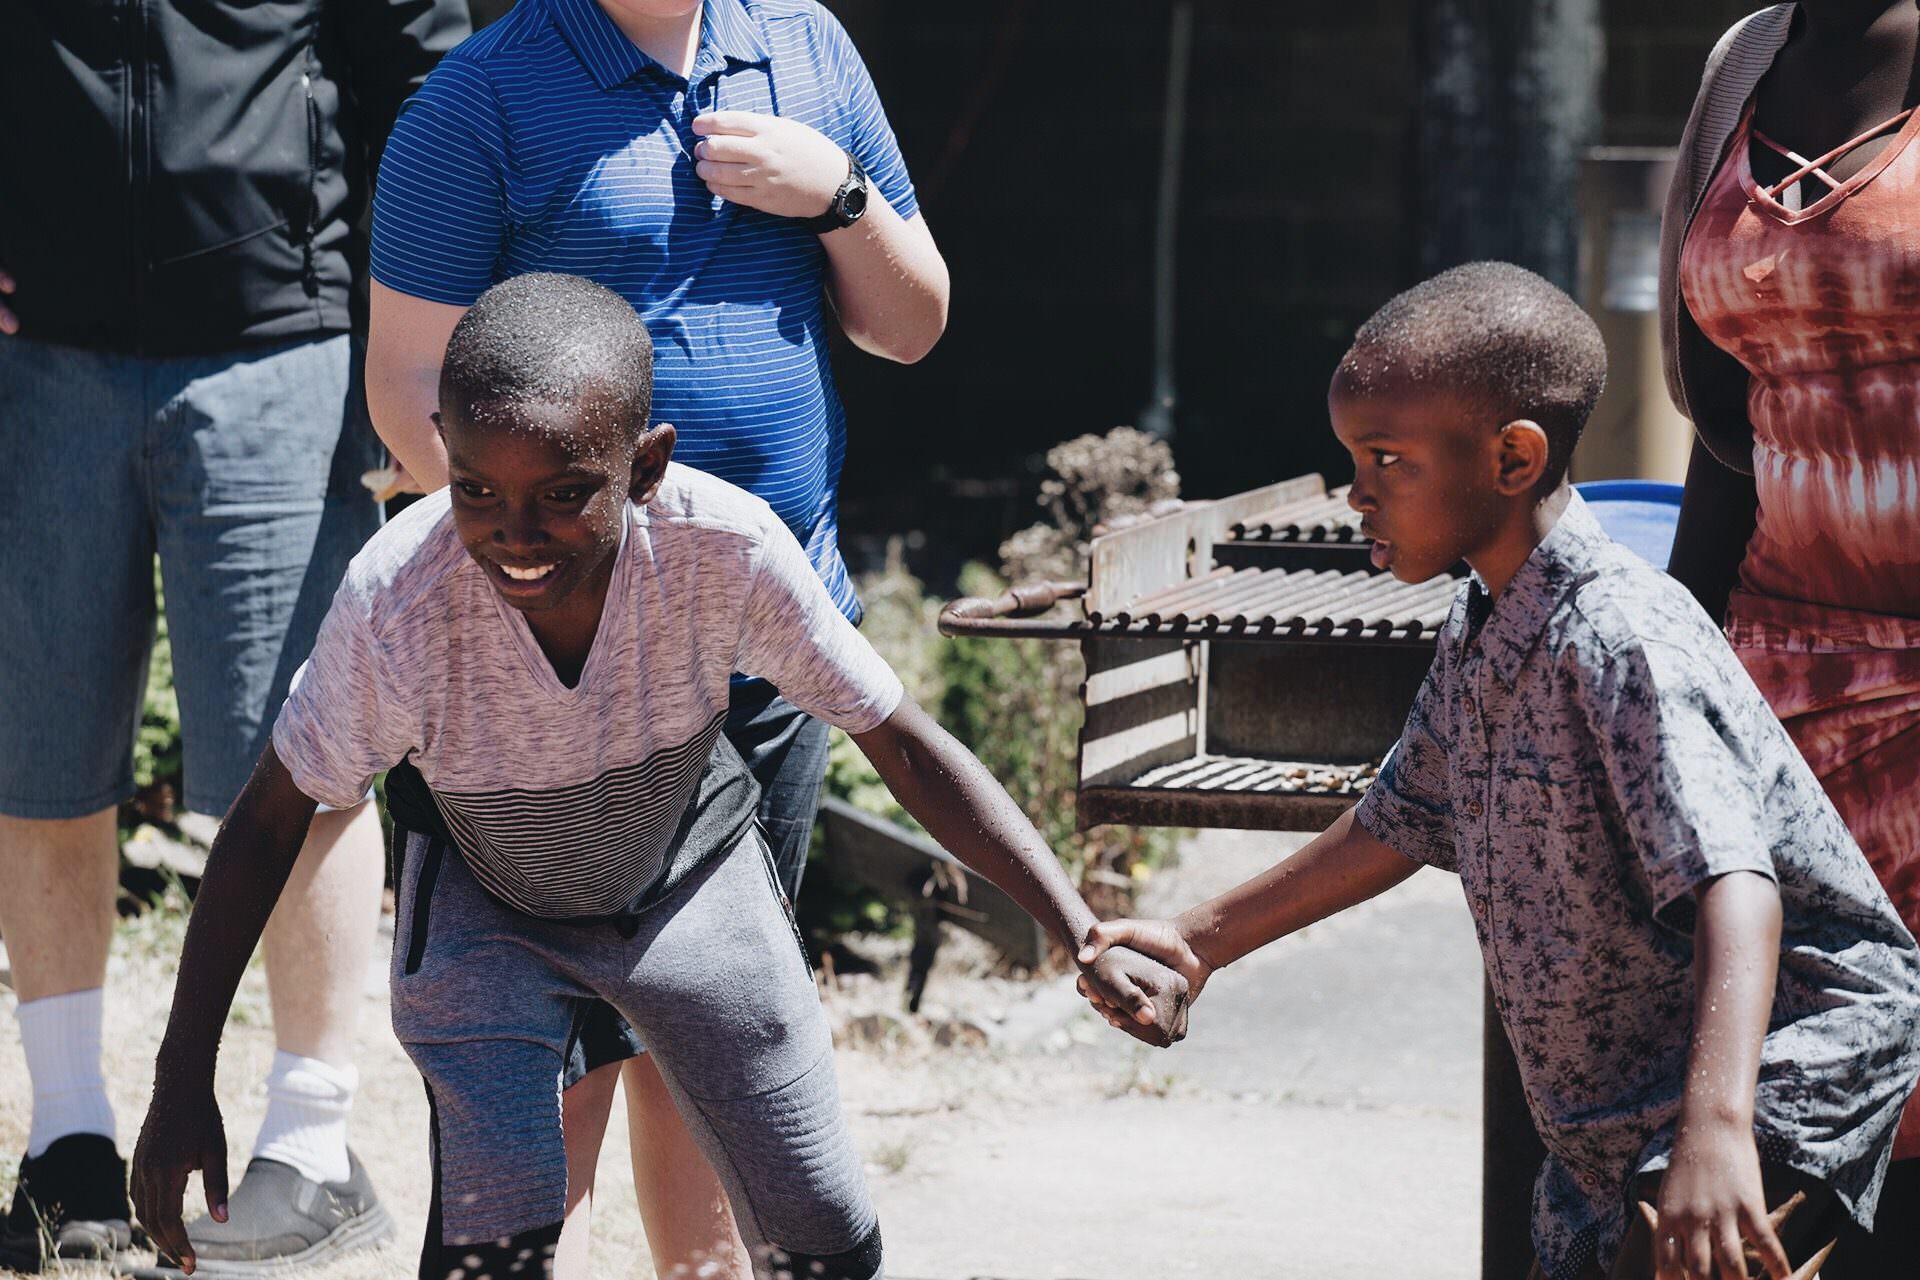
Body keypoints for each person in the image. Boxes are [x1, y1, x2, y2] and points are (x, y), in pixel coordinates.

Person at [129, 273, 1184, 1280]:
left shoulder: (723, 549)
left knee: (822, 1232)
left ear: (645, 466)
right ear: (440, 453)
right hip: (487, 902)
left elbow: (897, 735)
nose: (515, 531)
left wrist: (1076, 925)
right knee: (496, 1243)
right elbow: (271, 819)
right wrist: (183, 1079)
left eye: (563, 493)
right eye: (478, 489)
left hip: (688, 880)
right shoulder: (397, 600)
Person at [1078, 262, 1920, 1280]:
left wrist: (1717, 1129)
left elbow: (1738, 885)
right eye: (1354, 458)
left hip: (1771, 1081)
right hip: (1618, 1112)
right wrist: (1196, 938)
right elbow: (1397, 818)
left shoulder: (1619, 637)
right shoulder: (1483, 617)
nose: (1359, 491)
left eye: (1389, 460)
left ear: (1513, 458)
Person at [361, 0, 949, 1267]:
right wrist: (574, 572)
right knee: (548, 1061)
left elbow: (912, 324)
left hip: (764, 652)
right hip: (545, 677)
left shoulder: (806, 45)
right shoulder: (482, 99)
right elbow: (411, 399)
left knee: (719, 1039)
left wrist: (839, 197)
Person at [0, 0, 467, 1271]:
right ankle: (68, 1142)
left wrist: (397, 346)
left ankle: (313, 1142)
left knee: (302, 760)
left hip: (285, 345)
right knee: (40, 753)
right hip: (39, 351)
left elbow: (424, 79)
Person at [1658, 3, 1920, 1266]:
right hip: (1783, 704)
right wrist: (1678, 686)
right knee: (1802, 1140)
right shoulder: (1747, 63)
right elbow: (1730, 426)